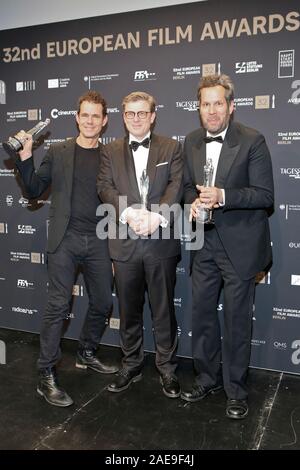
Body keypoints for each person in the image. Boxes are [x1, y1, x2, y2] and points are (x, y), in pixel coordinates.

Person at [14, 90, 118, 408]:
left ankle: (86, 352)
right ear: (77, 117)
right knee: (58, 306)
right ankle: (46, 374)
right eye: (84, 114)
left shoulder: (112, 156)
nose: (89, 121)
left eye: (95, 116)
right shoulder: (58, 151)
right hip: (65, 240)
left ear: (104, 121)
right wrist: (26, 156)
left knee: (102, 302)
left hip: (100, 239)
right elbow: (33, 190)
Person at [182, 74, 274, 419]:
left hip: (240, 247)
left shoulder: (253, 140)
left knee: (236, 322)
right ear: (199, 108)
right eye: (205, 104)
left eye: (218, 103)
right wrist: (191, 202)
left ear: (231, 106)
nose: (212, 110)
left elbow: (265, 196)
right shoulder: (191, 141)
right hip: (203, 244)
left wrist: (224, 196)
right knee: (203, 317)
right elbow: (188, 189)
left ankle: (236, 390)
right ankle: (207, 378)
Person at [97, 91, 183, 398]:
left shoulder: (171, 147)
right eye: (130, 113)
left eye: (142, 113)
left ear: (153, 115)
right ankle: (130, 364)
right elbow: (104, 186)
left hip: (160, 241)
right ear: (123, 116)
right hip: (124, 242)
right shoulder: (109, 151)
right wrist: (130, 213)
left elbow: (177, 185)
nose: (136, 118)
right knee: (128, 310)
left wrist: (157, 217)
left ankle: (168, 369)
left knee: (163, 311)